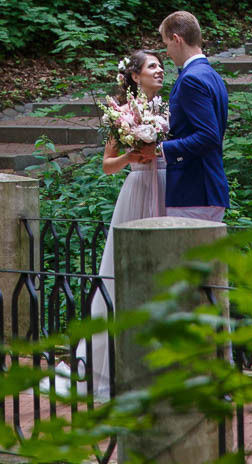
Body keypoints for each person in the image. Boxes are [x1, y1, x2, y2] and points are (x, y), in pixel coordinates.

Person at [50, 48, 166, 401]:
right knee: (122, 274)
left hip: (167, 189)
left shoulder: (167, 109)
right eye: (152, 66)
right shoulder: (121, 114)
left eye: (161, 65)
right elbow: (107, 165)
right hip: (138, 188)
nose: (159, 70)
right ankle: (108, 368)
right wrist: (133, 155)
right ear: (135, 76)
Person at [158, 10, 229, 220]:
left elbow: (208, 136)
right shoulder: (212, 75)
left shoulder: (191, 79)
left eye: (166, 44)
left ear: (176, 39)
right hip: (208, 189)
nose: (167, 52)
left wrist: (161, 149)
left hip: (193, 189)